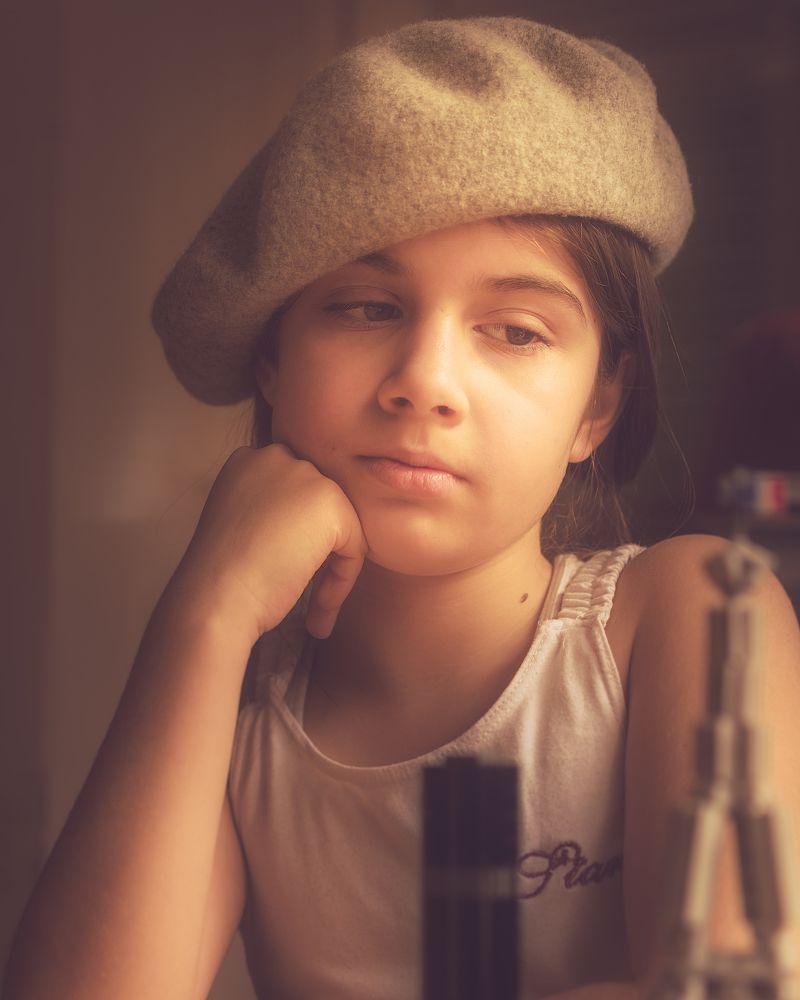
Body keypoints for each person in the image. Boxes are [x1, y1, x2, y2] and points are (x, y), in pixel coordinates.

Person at [5, 16, 800, 1000]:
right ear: (272, 357)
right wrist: (203, 614)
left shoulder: (693, 610)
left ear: (599, 404)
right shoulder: (236, 725)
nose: (425, 381)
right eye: (367, 308)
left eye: (515, 330)